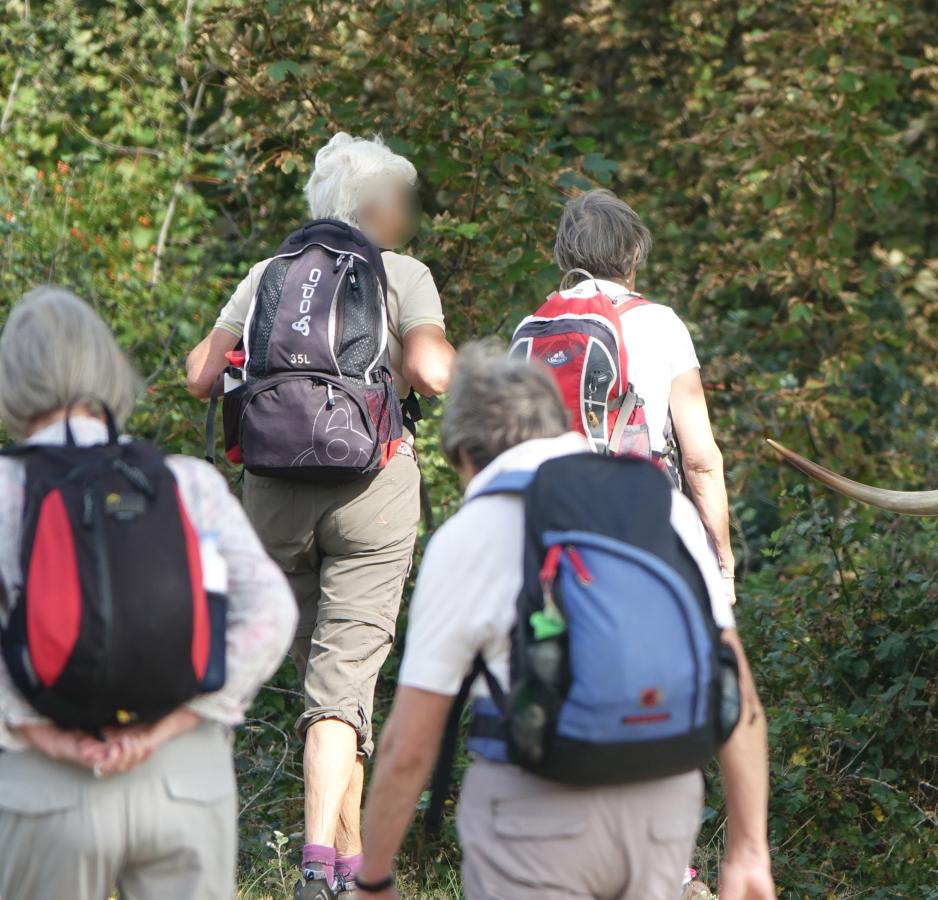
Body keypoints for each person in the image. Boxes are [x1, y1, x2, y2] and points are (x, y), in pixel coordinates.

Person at [354, 345, 775, 900]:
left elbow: (410, 743)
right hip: (665, 803)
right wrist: (748, 847)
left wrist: (375, 874)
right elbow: (736, 690)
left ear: (463, 453)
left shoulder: (473, 530)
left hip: (534, 813)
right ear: (555, 422)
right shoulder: (661, 506)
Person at [184, 133, 456, 898]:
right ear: (374, 207)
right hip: (370, 493)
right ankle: (315, 867)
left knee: (335, 691)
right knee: (342, 693)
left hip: (271, 496)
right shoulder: (401, 273)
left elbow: (201, 376)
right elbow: (433, 373)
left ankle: (359, 873)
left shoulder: (270, 273)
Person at [0, 286, 297, 899]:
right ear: (108, 369)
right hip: (184, 781)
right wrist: (175, 725)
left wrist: (43, 734)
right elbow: (271, 611)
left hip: (45, 792)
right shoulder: (183, 482)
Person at [550, 190, 738, 605]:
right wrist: (722, 562)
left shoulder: (534, 327)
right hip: (642, 521)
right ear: (634, 253)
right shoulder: (661, 324)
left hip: (555, 525)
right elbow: (700, 460)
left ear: (565, 256)